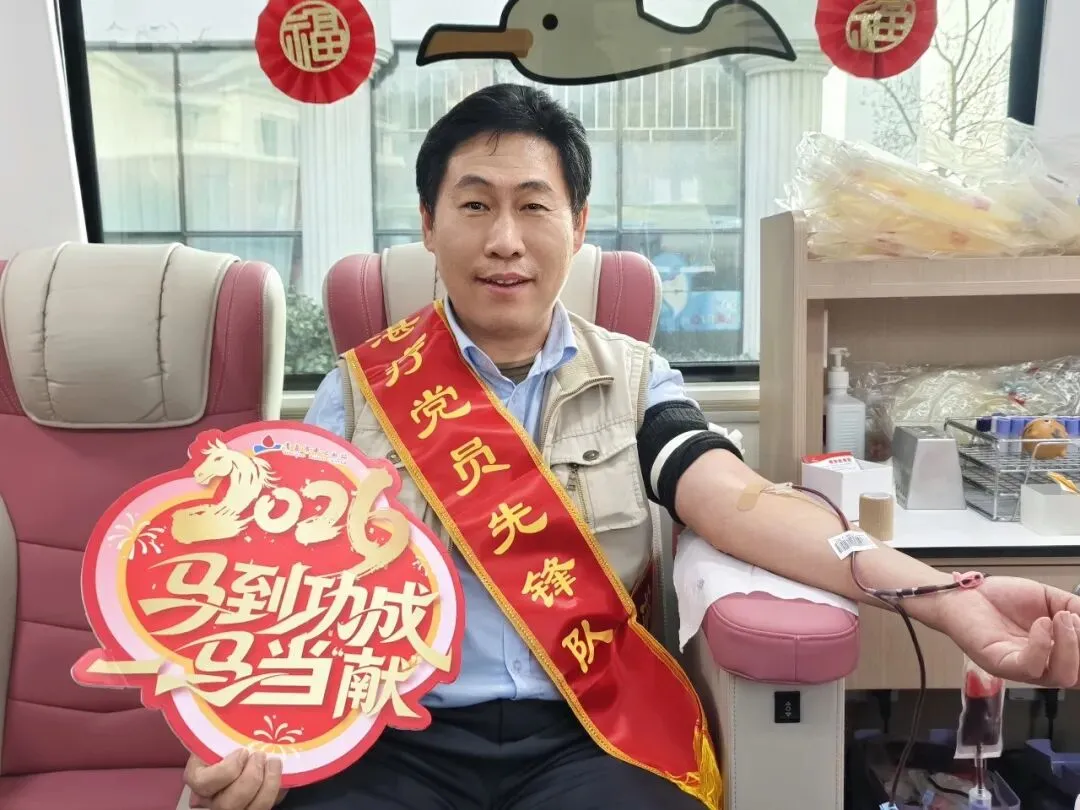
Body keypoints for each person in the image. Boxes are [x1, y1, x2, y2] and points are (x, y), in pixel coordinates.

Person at [184, 83, 1080, 810]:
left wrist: (946, 595)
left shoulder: (637, 379)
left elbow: (739, 502)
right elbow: (270, 594)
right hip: (393, 741)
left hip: (586, 734)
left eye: (534, 206)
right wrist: (229, 739)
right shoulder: (358, 392)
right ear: (428, 224)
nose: (504, 240)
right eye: (475, 205)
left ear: (577, 228)